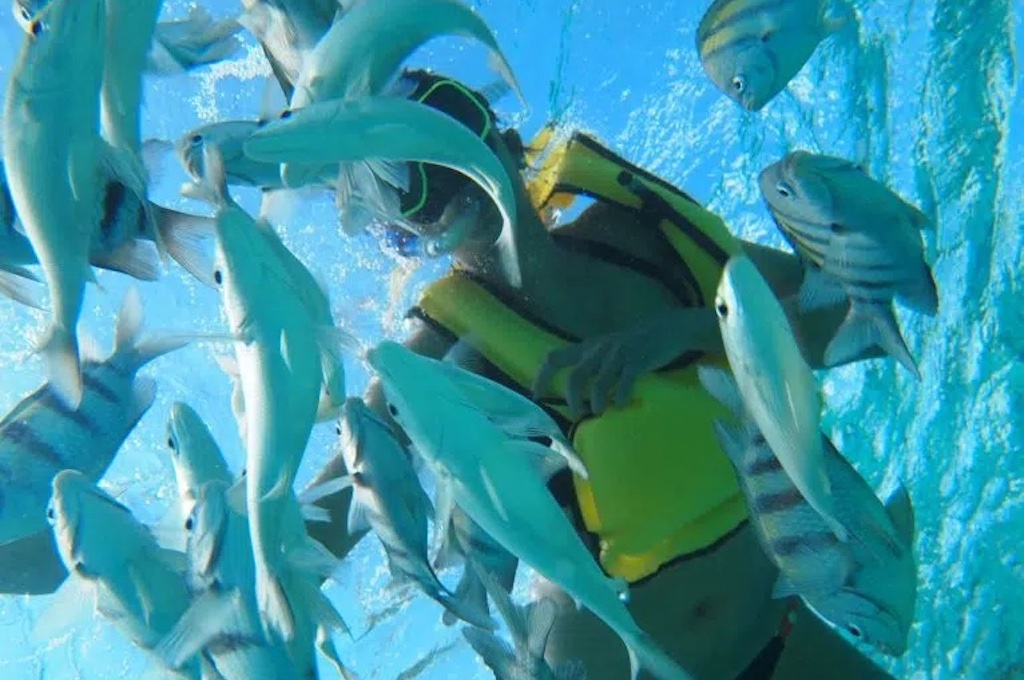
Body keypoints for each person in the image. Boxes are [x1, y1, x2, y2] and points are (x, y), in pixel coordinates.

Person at [307, 69, 895, 680]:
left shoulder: (650, 239)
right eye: (409, 179)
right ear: (400, 232)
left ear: (508, 141)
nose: (452, 176)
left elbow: (853, 325)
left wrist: (692, 330)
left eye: (451, 127)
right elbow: (309, 534)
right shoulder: (437, 359)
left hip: (783, 641)